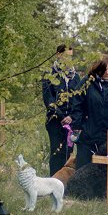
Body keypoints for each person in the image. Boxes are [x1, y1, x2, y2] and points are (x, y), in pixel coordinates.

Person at [70, 55, 108, 170]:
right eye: (104, 70)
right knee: (83, 169)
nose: (107, 73)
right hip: (88, 133)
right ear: (97, 69)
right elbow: (77, 105)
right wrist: (77, 126)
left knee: (104, 172)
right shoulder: (87, 82)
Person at [42, 44, 80, 176]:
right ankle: (53, 183)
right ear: (58, 55)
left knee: (68, 155)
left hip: (71, 122)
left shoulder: (76, 77)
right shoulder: (50, 74)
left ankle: (65, 186)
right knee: (57, 153)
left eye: (71, 57)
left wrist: (72, 117)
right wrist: (61, 116)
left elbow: (79, 99)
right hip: (55, 121)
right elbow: (48, 99)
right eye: (65, 56)